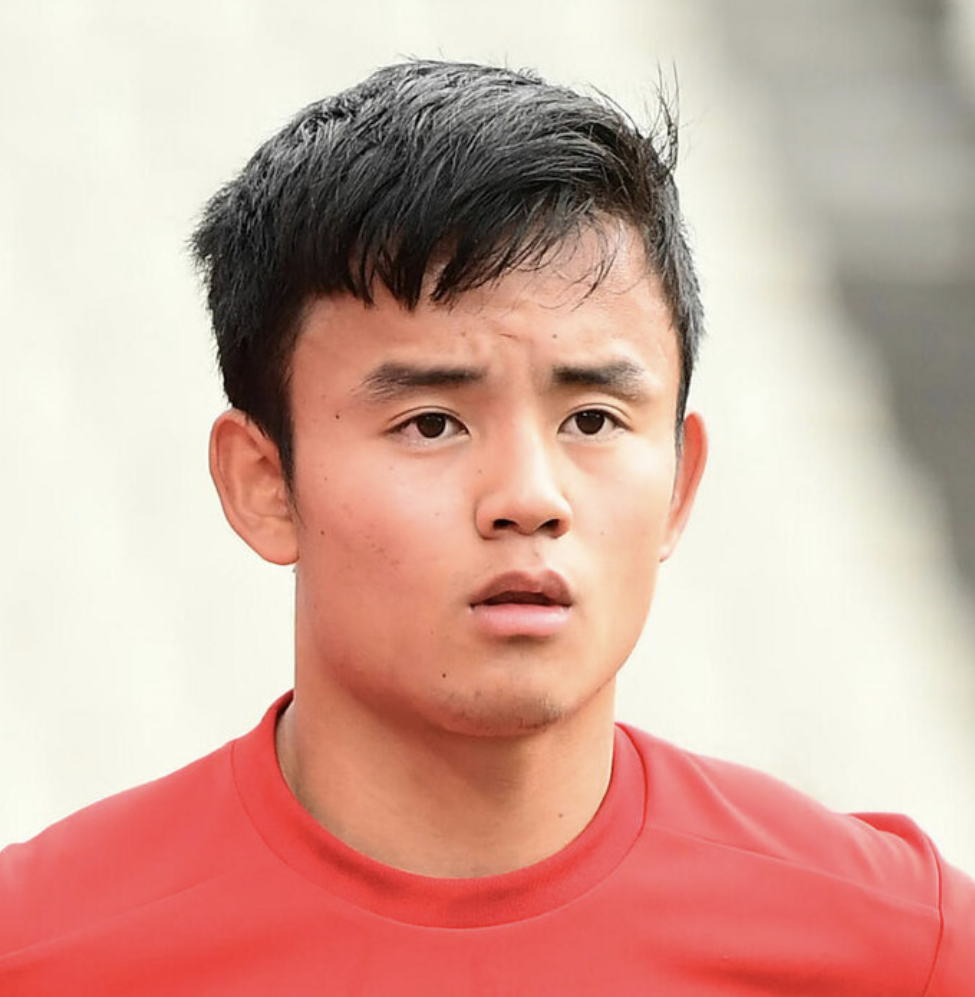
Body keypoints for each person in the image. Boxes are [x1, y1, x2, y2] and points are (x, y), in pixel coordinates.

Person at [1, 59, 972, 995]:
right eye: (432, 423)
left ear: (679, 483)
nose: (528, 495)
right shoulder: (41, 954)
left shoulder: (897, 950)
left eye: (592, 419)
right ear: (265, 484)